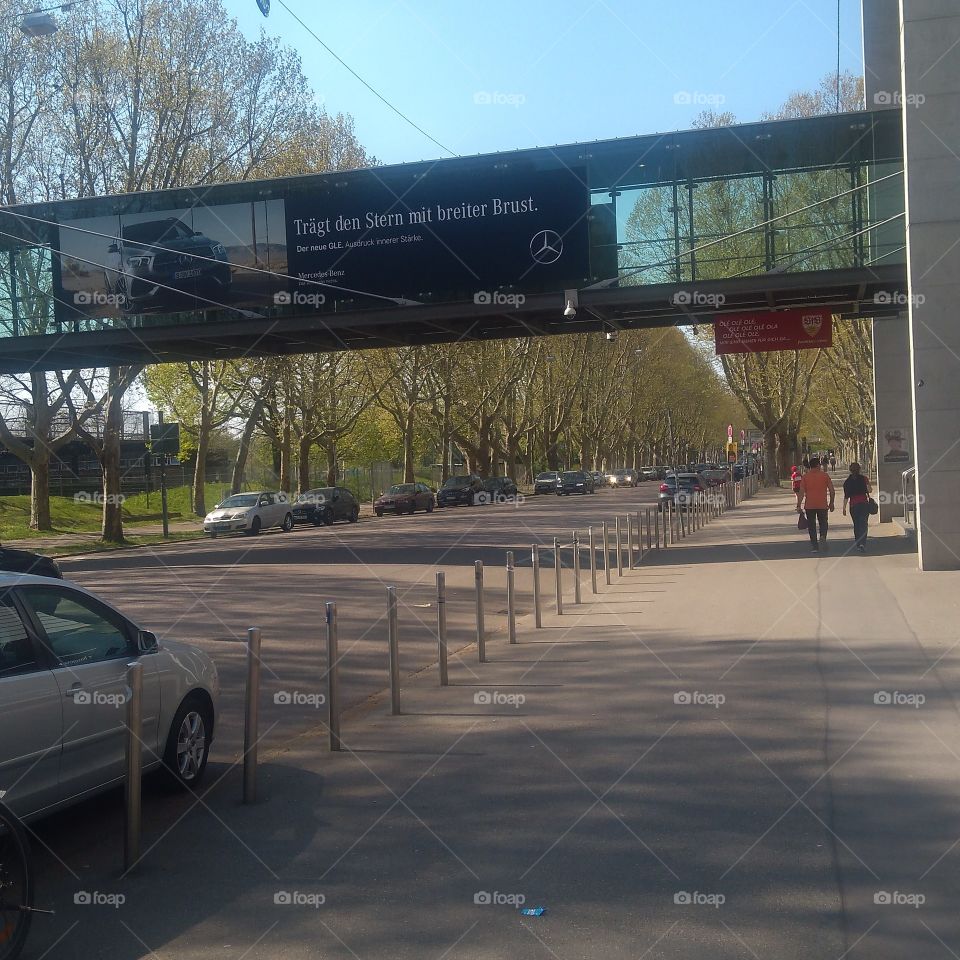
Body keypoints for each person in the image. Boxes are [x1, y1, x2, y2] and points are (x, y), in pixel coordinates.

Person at [799, 456, 835, 552]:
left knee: (811, 525)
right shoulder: (825, 476)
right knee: (823, 522)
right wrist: (831, 503)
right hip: (822, 505)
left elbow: (801, 492)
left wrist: (798, 505)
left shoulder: (805, 477)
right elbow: (832, 490)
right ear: (818, 465)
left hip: (809, 505)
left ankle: (815, 546)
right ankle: (823, 536)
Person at [842, 462, 871, 552]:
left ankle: (858, 544)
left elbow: (846, 496)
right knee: (863, 524)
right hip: (864, 504)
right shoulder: (864, 478)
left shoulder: (847, 482)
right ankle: (863, 543)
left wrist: (844, 507)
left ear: (850, 470)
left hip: (853, 505)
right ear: (859, 469)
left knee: (856, 525)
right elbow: (869, 490)